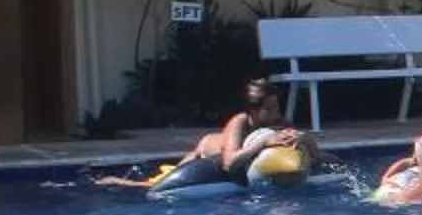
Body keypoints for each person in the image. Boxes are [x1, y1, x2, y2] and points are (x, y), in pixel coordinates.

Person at [97, 80, 300, 191]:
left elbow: (306, 146)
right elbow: (229, 163)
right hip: (205, 153)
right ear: (253, 111)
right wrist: (263, 143)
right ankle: (118, 181)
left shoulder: (280, 123)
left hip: (234, 151)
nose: (277, 113)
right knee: (153, 185)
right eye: (270, 109)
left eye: (277, 107)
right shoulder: (239, 122)